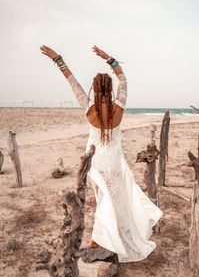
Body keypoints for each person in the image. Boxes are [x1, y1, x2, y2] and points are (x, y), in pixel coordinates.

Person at [40, 45, 163, 263]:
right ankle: (106, 240)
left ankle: (100, 241)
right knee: (114, 202)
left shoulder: (89, 108)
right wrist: (110, 60)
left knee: (102, 202)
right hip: (115, 165)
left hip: (96, 165)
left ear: (95, 89)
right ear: (110, 88)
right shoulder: (119, 107)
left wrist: (58, 59)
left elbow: (72, 82)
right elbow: (124, 80)